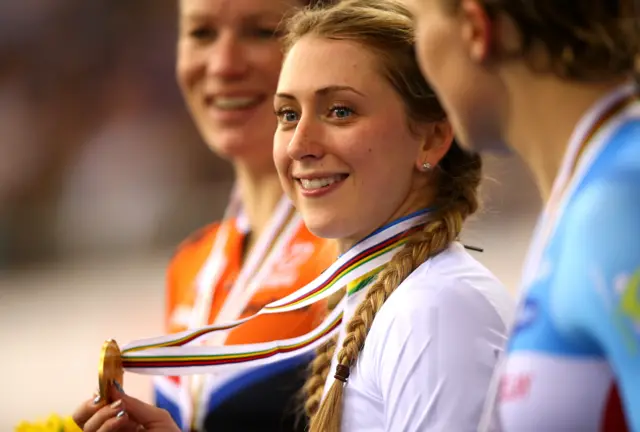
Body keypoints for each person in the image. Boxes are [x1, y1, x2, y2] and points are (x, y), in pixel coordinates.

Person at [70, 0, 514, 431]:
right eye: (287, 114)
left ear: (432, 138)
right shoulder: (374, 291)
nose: (300, 143)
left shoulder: (434, 308)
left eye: (340, 111)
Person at [73, 0, 336, 431]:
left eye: (260, 31)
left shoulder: (352, 254)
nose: (223, 64)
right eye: (201, 33)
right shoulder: (191, 264)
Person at [407, 0, 640, 430]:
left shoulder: (617, 205)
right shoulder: (591, 189)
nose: (419, 58)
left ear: (476, 29)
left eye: (418, 23)